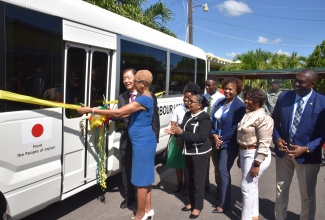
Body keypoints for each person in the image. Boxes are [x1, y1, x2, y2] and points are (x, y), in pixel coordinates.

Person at [78, 70, 157, 220]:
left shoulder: (145, 99)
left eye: (136, 81)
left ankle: (140, 215)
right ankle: (148, 210)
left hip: (143, 143)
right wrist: (103, 111)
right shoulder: (143, 98)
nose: (133, 83)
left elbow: (120, 112)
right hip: (143, 142)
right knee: (145, 178)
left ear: (144, 84)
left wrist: (90, 110)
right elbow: (126, 114)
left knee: (141, 181)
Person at [272, 69, 325, 220]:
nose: (296, 84)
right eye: (295, 80)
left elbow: (323, 133)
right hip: (284, 154)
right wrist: (277, 139)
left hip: (307, 157)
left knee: (307, 196)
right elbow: (274, 122)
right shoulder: (284, 97)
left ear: (312, 83)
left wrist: (306, 148)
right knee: (280, 190)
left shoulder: (322, 102)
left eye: (301, 82)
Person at [116, 68, 160, 210]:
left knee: (141, 174)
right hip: (128, 139)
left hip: (143, 141)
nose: (127, 81)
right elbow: (121, 116)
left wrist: (154, 138)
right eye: (124, 78)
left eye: (129, 78)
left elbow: (155, 120)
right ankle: (130, 198)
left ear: (137, 80)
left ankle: (142, 208)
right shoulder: (122, 97)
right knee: (127, 169)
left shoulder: (148, 97)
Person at [167, 84, 211, 219]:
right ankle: (191, 202)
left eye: (191, 101)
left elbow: (201, 137)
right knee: (190, 179)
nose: (188, 103)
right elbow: (181, 128)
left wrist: (182, 133)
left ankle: (198, 206)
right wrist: (174, 132)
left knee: (197, 180)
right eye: (188, 101)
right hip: (188, 151)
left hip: (200, 153)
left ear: (199, 105)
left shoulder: (205, 118)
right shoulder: (187, 114)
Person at [210, 77, 246, 214]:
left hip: (229, 144)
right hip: (216, 141)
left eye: (230, 89)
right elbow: (212, 121)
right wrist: (214, 135)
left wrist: (221, 140)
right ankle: (222, 196)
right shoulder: (219, 102)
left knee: (223, 171)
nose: (227, 91)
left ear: (237, 91)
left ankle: (224, 204)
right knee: (220, 171)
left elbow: (236, 128)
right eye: (225, 88)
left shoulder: (239, 106)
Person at [237, 88, 273, 220]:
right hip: (245, 152)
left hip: (256, 154)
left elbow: (264, 142)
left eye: (249, 99)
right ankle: (253, 215)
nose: (245, 101)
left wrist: (257, 163)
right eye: (245, 98)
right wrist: (240, 156)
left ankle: (245, 218)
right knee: (252, 185)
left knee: (247, 187)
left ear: (258, 101)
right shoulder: (249, 113)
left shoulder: (263, 117)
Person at [167, 83, 198, 195]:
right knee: (178, 165)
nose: (186, 100)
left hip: (190, 139)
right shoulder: (178, 109)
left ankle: (186, 184)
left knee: (187, 165)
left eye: (188, 98)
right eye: (184, 97)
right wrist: (177, 139)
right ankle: (179, 183)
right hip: (178, 140)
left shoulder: (195, 109)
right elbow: (173, 125)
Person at [203, 76, 224, 193]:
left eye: (209, 85)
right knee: (204, 161)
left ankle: (219, 187)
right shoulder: (203, 97)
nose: (207, 87)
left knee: (217, 163)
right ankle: (205, 184)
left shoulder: (222, 99)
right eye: (206, 85)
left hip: (215, 133)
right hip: (204, 134)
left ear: (216, 85)